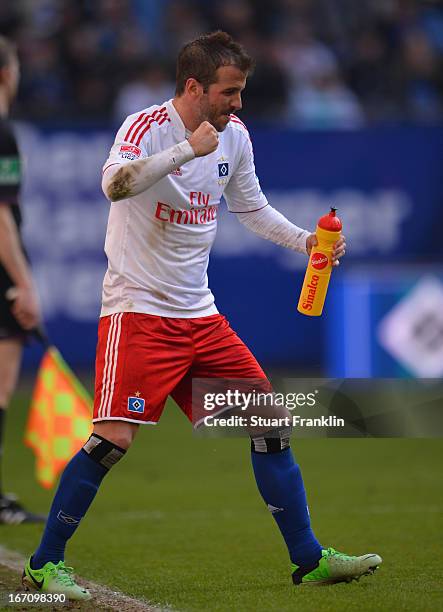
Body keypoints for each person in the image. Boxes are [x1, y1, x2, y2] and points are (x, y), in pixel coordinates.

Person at [23, 31, 381, 600]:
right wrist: (188, 149)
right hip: (138, 314)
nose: (237, 103)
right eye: (229, 92)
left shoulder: (235, 137)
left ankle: (309, 559)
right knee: (111, 440)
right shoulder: (145, 127)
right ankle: (44, 564)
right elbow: (114, 185)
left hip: (201, 318)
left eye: (240, 92)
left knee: (269, 425)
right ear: (194, 87)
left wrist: (306, 242)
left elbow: (251, 207)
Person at [0, 36, 45, 525]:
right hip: (0, 276)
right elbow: (1, 216)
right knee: (1, 384)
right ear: (8, 74)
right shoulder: (2, 133)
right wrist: (24, 283)